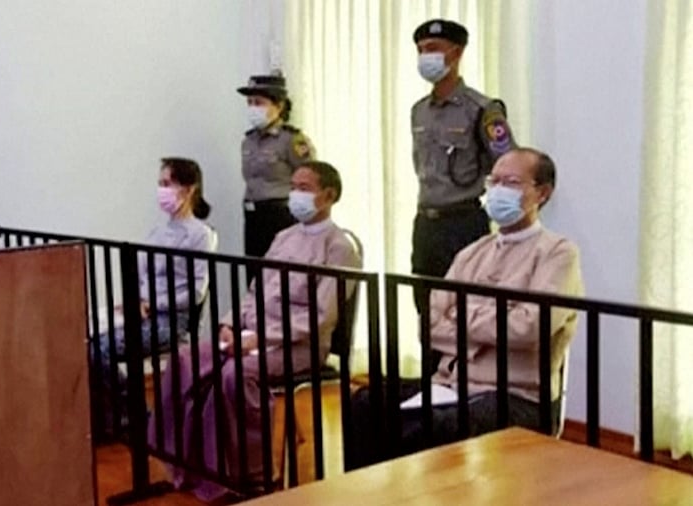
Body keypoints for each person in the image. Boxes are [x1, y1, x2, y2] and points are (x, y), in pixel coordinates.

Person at [350, 148, 584, 468]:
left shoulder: (558, 253)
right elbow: (430, 325)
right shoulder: (472, 252)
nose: (498, 191)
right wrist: (492, 324)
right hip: (450, 382)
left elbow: (528, 329)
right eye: (493, 181)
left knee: (433, 426)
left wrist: (460, 317)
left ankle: (428, 492)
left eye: (511, 182)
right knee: (367, 403)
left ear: (542, 193)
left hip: (514, 393)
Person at [150, 161, 361, 503]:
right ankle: (188, 461)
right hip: (251, 333)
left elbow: (320, 317)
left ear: (329, 195)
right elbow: (254, 291)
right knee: (186, 360)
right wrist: (231, 325)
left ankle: (254, 473)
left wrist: (259, 340)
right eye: (293, 186)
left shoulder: (339, 247)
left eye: (305, 188)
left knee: (235, 376)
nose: (295, 194)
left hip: (298, 344)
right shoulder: (283, 237)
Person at [93, 157, 216, 431]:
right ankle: (108, 418)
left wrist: (154, 304)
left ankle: (134, 413)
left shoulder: (200, 235)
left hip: (170, 320)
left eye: (167, 183)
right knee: (84, 340)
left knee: (101, 349)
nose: (161, 190)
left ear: (188, 189)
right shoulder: (157, 232)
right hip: (142, 312)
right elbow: (141, 276)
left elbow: (196, 292)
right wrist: (134, 300)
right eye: (160, 183)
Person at [410, 19, 517, 310]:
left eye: (433, 48)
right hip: (426, 224)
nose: (425, 56)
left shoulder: (482, 109)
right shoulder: (419, 111)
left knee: (467, 308)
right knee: (426, 308)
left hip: (463, 223)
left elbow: (508, 164)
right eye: (420, 50)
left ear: (456, 53)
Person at [237, 73, 316, 278]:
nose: (253, 108)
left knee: (281, 276)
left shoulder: (292, 140)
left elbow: (311, 177)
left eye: (259, 103)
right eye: (250, 103)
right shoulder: (248, 140)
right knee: (255, 275)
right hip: (253, 215)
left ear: (278, 106)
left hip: (280, 215)